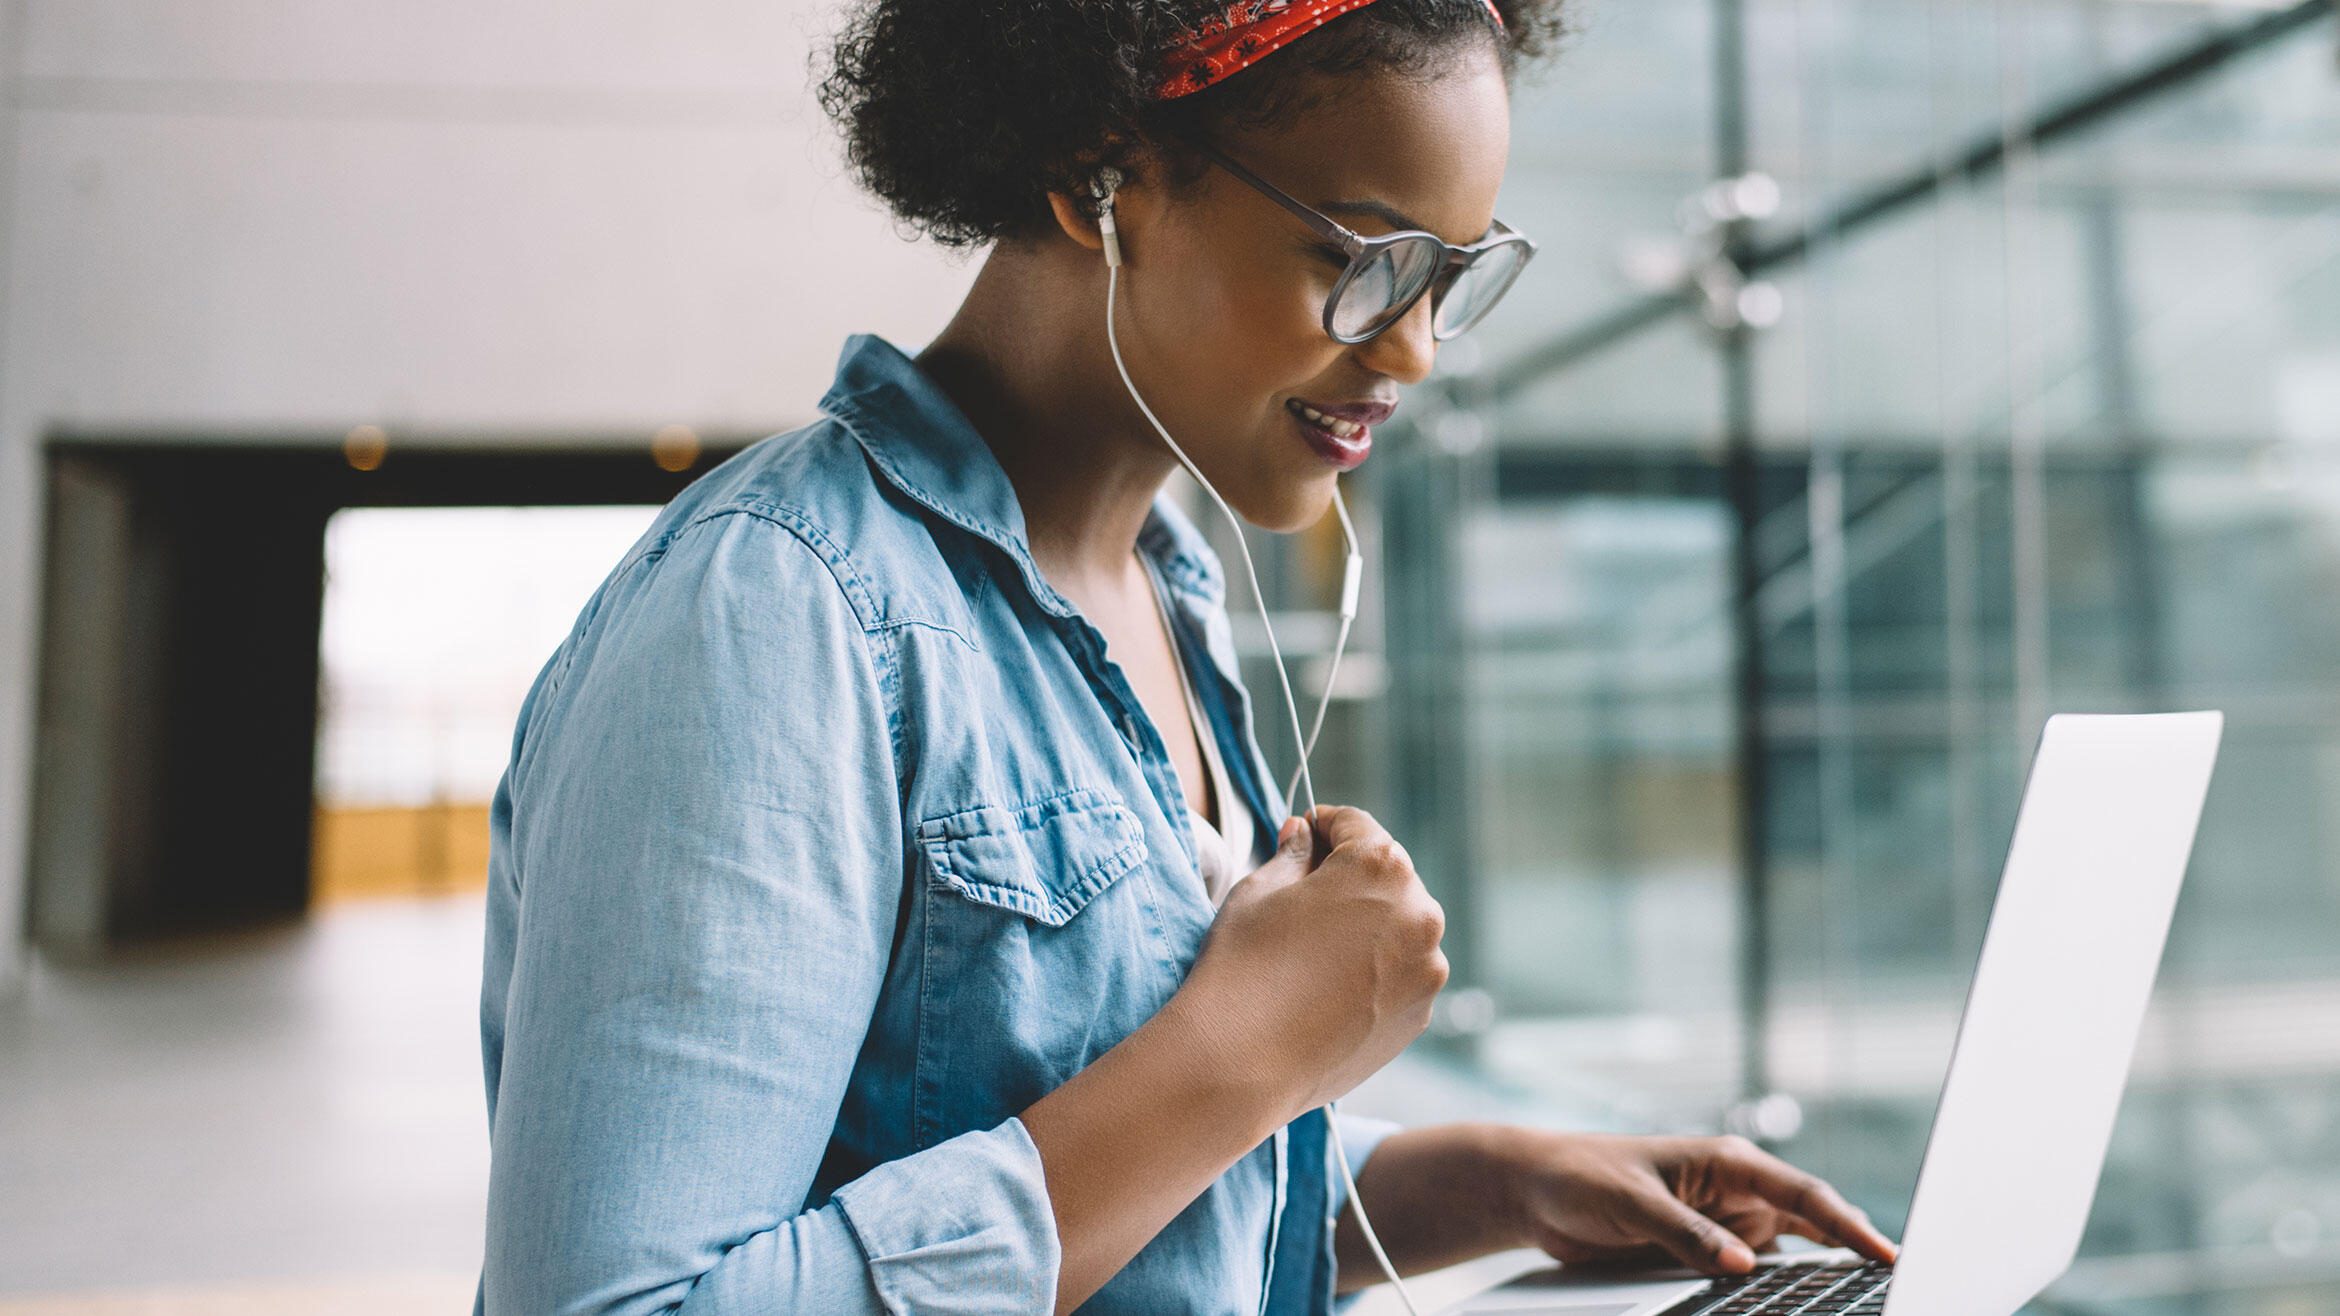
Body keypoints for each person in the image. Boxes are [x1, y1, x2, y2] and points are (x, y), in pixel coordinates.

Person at [472, 1, 1899, 1312]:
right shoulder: (779, 618)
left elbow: (1118, 1198)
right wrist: (1241, 1058)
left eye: (1454, 277)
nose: (1411, 354)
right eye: (1361, 261)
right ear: (1104, 179)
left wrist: (1487, 1182)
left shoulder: (1164, 585)